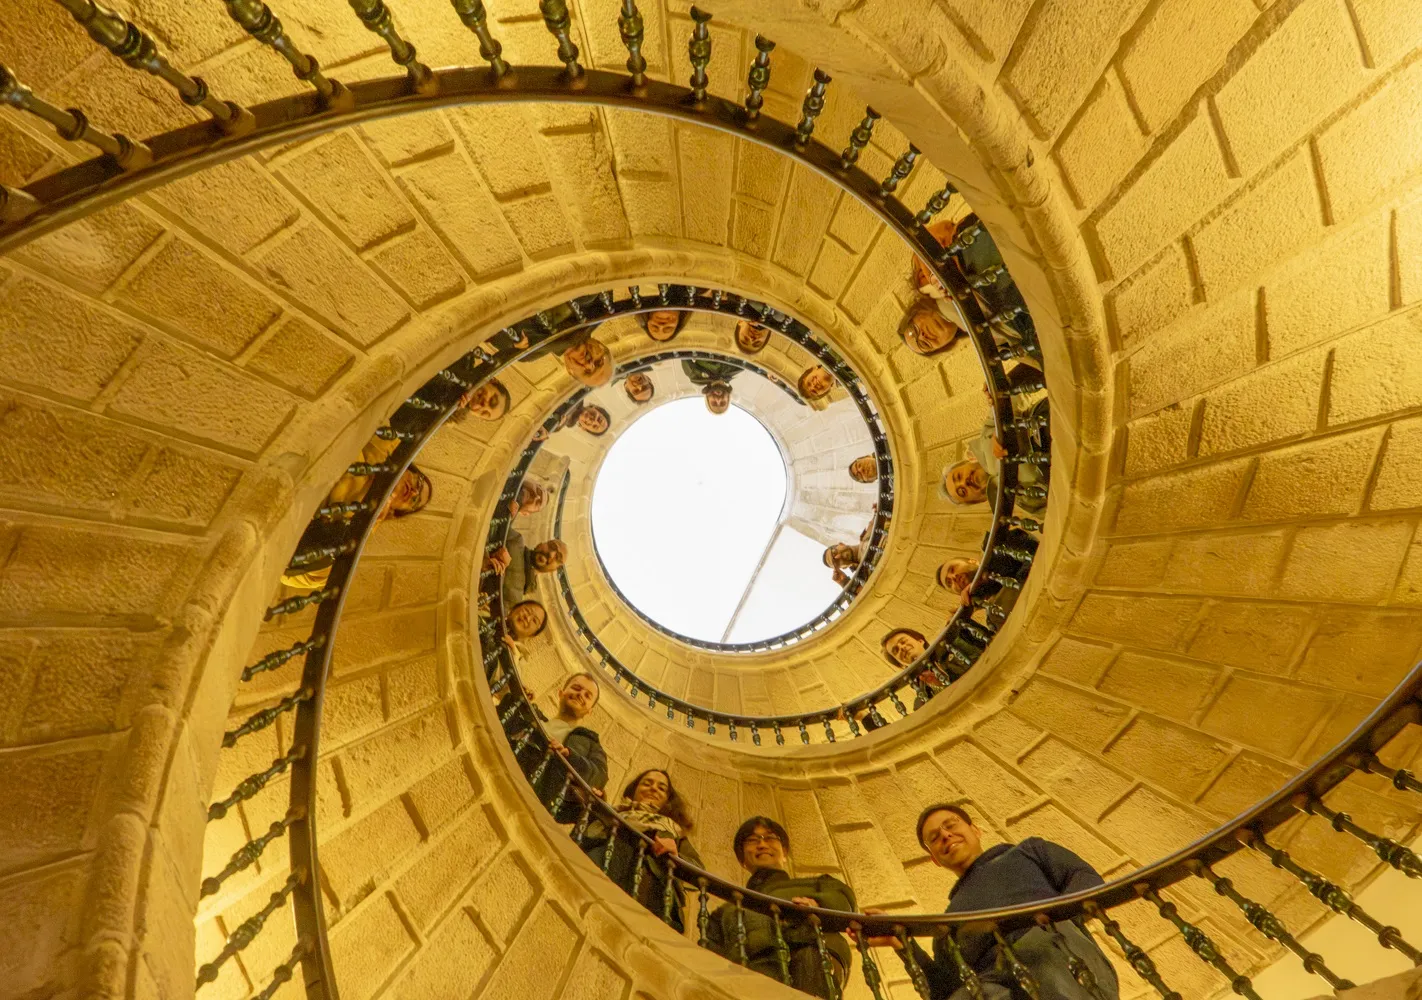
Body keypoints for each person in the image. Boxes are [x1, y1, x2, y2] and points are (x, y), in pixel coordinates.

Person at [858, 804, 1118, 1000]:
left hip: (1057, 958)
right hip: (994, 985)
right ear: (935, 859)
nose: (945, 835)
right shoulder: (948, 922)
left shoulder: (1028, 851)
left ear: (975, 830)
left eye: (951, 825)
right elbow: (945, 989)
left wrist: (1054, 919)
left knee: (1037, 947)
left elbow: (1084, 878)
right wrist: (902, 944)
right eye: (934, 838)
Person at [704, 817, 855, 998]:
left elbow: (843, 902)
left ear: (784, 852)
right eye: (752, 840)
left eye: (770, 838)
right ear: (742, 859)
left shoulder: (819, 884)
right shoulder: (726, 912)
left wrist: (818, 905)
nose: (762, 844)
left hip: (812, 960)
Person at [280, 432, 433, 590]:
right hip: (294, 480)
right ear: (407, 468)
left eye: (415, 501)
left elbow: (312, 574)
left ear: (396, 511)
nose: (414, 492)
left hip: (291, 543)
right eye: (419, 482)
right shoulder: (381, 449)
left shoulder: (365, 526)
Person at [581, 769, 703, 932]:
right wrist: (597, 810)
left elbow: (699, 873)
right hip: (597, 881)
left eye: (661, 788)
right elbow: (585, 839)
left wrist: (676, 855)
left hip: (651, 902)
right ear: (634, 789)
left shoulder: (674, 832)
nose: (653, 788)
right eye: (647, 783)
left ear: (667, 800)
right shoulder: (613, 814)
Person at [502, 673, 608, 823]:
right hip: (505, 770)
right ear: (561, 693)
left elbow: (599, 776)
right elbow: (500, 724)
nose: (580, 695)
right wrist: (517, 699)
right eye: (576, 688)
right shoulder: (534, 718)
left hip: (539, 802)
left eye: (587, 695)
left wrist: (569, 756)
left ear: (589, 711)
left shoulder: (590, 743)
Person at [520, 319, 614, 388]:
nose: (590, 364)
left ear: (570, 371)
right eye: (598, 363)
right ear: (601, 346)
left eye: (587, 372)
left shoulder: (527, 353)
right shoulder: (599, 306)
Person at [488, 531, 567, 609]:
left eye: (557, 557)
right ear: (540, 544)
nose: (551, 554)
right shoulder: (515, 540)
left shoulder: (520, 597)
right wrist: (488, 558)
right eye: (552, 546)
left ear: (552, 570)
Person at [901, 298, 970, 356]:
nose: (922, 336)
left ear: (916, 311)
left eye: (914, 331)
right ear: (945, 346)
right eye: (925, 344)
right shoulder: (978, 329)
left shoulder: (933, 283)